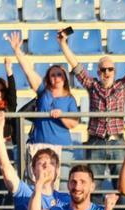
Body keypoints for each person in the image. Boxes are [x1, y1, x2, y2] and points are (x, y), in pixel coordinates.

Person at [57, 28, 125, 188]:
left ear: (115, 71)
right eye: (103, 69)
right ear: (98, 71)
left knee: (122, 185)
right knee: (94, 186)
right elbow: (76, 66)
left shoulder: (123, 85)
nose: (106, 72)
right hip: (96, 142)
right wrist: (63, 44)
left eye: (110, 69)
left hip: (117, 141)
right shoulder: (92, 85)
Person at [9, 31, 80, 180]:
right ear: (48, 78)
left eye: (59, 74)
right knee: (37, 185)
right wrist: (17, 51)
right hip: (38, 146)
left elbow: (73, 123)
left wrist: (62, 116)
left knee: (61, 187)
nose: (56, 77)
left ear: (65, 78)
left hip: (62, 147)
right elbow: (28, 71)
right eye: (53, 75)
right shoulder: (43, 92)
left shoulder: (70, 99)